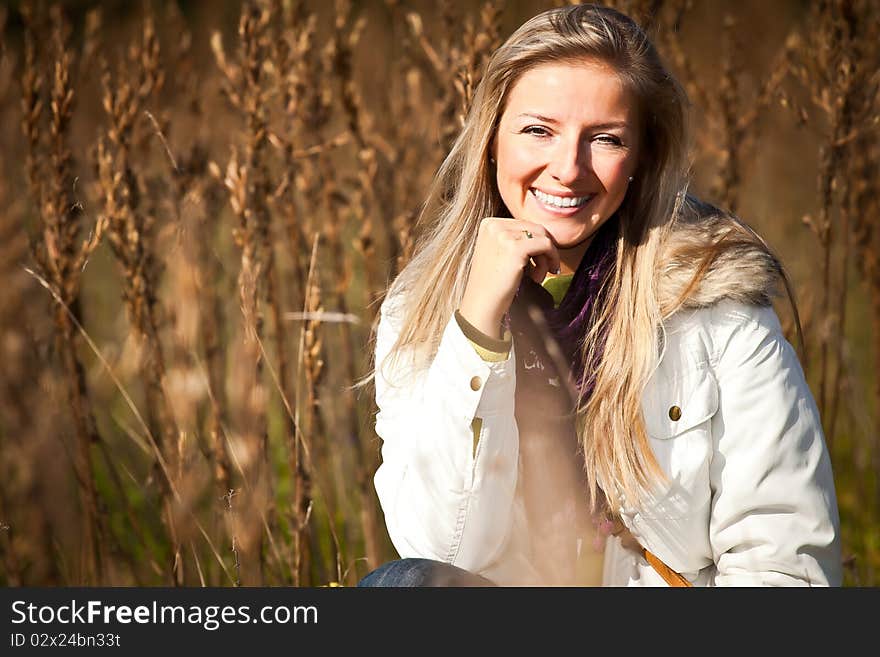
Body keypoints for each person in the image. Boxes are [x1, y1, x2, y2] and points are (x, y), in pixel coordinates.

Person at [357, 3, 841, 587]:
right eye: (539, 130)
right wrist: (476, 329)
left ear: (643, 157)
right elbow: (441, 547)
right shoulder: (423, 311)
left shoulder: (717, 313)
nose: (567, 169)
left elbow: (786, 568)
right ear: (491, 140)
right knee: (401, 586)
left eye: (605, 139)